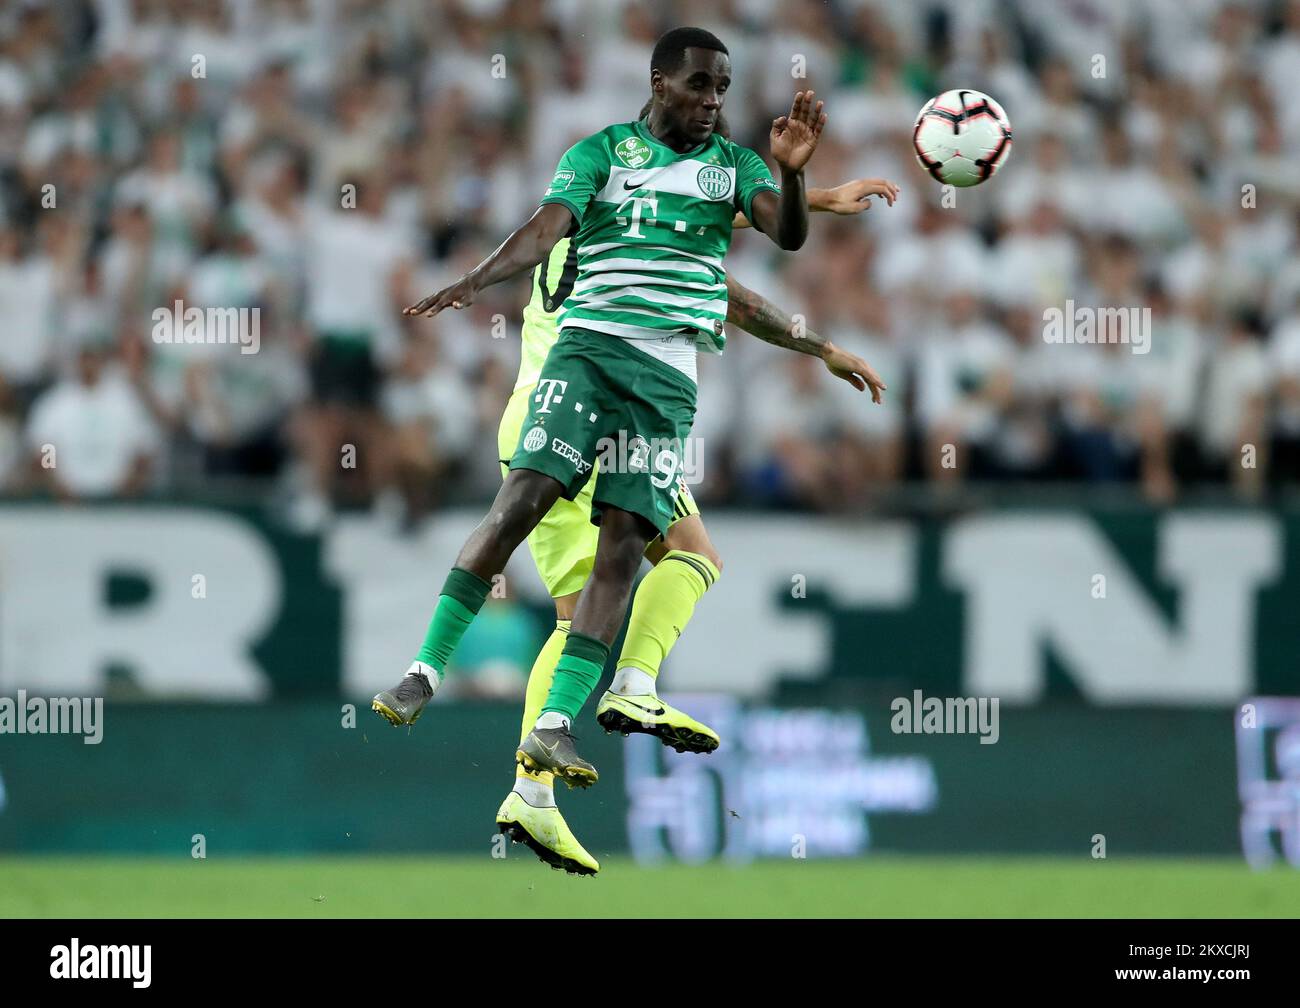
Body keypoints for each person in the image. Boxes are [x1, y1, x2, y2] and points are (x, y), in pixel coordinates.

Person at [374, 27, 844, 872]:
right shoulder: (600, 175)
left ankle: (585, 720)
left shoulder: (710, 174)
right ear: (659, 83)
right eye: (698, 86)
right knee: (588, 557)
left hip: (647, 384)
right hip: (577, 380)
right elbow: (556, 230)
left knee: (659, 554)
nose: (712, 101)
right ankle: (518, 727)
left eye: (722, 90)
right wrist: (479, 277)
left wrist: (805, 184)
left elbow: (749, 257)